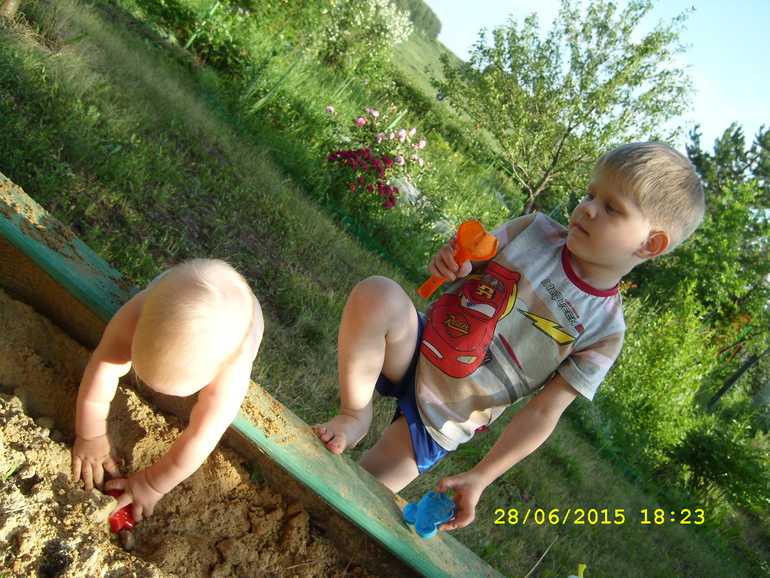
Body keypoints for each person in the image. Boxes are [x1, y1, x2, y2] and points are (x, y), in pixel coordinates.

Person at [314, 142, 705, 531]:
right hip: (421, 345)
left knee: (351, 500)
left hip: (447, 416)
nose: (587, 208)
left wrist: (482, 476)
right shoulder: (533, 231)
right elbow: (469, 262)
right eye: (590, 194)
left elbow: (543, 413)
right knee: (378, 293)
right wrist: (452, 262)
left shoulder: (605, 332)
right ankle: (354, 414)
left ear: (650, 244)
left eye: (611, 207)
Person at [71, 259, 264, 521]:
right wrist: (90, 435)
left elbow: (201, 437)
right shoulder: (137, 310)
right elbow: (103, 367)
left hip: (247, 326)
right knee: (164, 299)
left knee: (215, 413)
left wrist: (152, 483)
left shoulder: (233, 367)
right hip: (165, 288)